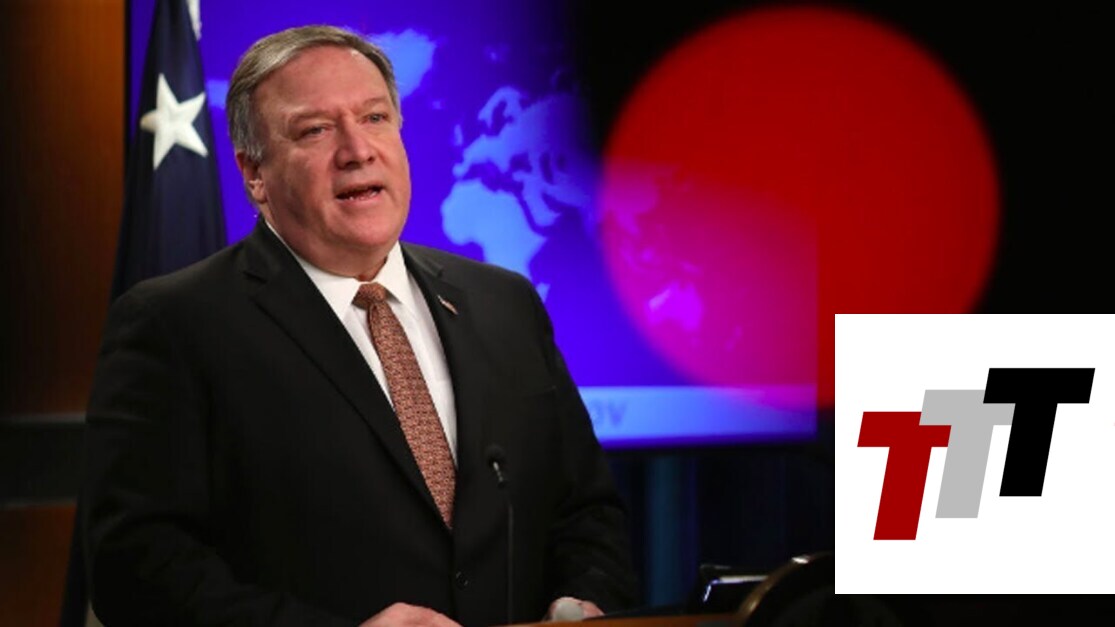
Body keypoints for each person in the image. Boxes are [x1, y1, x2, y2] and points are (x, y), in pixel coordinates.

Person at [82, 24, 637, 627]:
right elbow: (134, 567)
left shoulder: (504, 303)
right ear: (254, 173)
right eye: (315, 130)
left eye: (374, 118)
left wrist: (585, 599)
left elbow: (586, 512)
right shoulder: (174, 324)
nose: (357, 150)